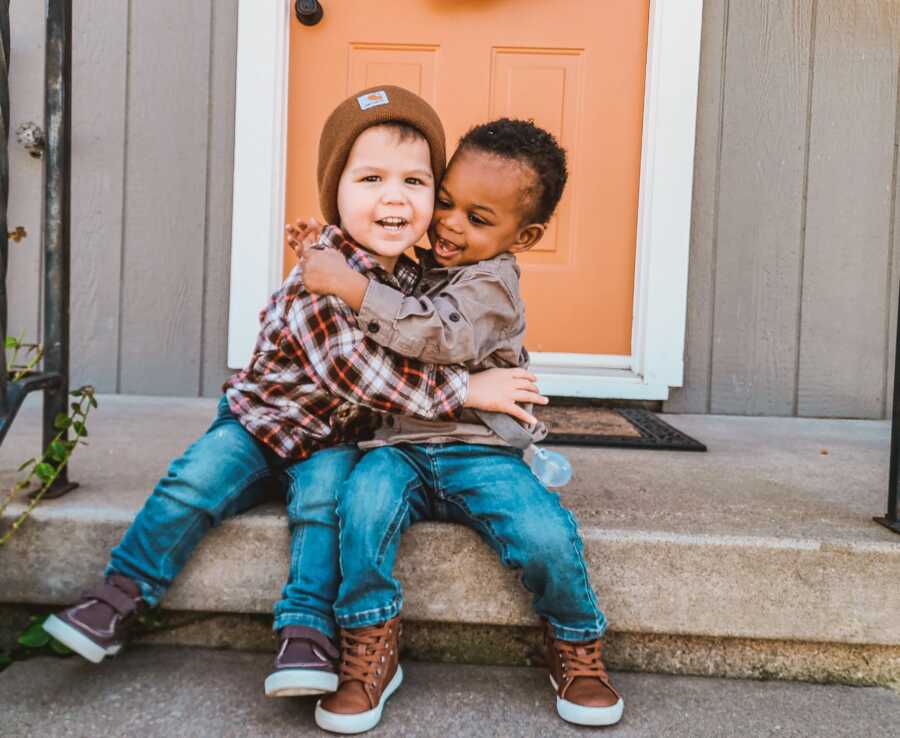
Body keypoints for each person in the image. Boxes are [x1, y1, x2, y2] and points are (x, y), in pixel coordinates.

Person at [42, 87, 542, 700]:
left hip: (333, 438)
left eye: (416, 183)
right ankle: (119, 595)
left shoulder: (412, 274)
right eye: (371, 179)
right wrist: (470, 389)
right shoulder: (322, 274)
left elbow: (439, 326)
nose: (394, 197)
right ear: (335, 194)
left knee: (325, 507)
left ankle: (306, 629)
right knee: (195, 480)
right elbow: (358, 375)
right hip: (261, 422)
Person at [293, 118, 624, 733]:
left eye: (477, 219)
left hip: (481, 451)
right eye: (444, 201)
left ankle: (576, 643)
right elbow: (359, 281)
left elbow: (439, 333)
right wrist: (327, 252)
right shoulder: (413, 263)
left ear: (521, 236)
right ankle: (370, 645)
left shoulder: (493, 283)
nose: (448, 223)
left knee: (544, 532)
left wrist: (354, 288)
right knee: (361, 506)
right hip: (400, 445)